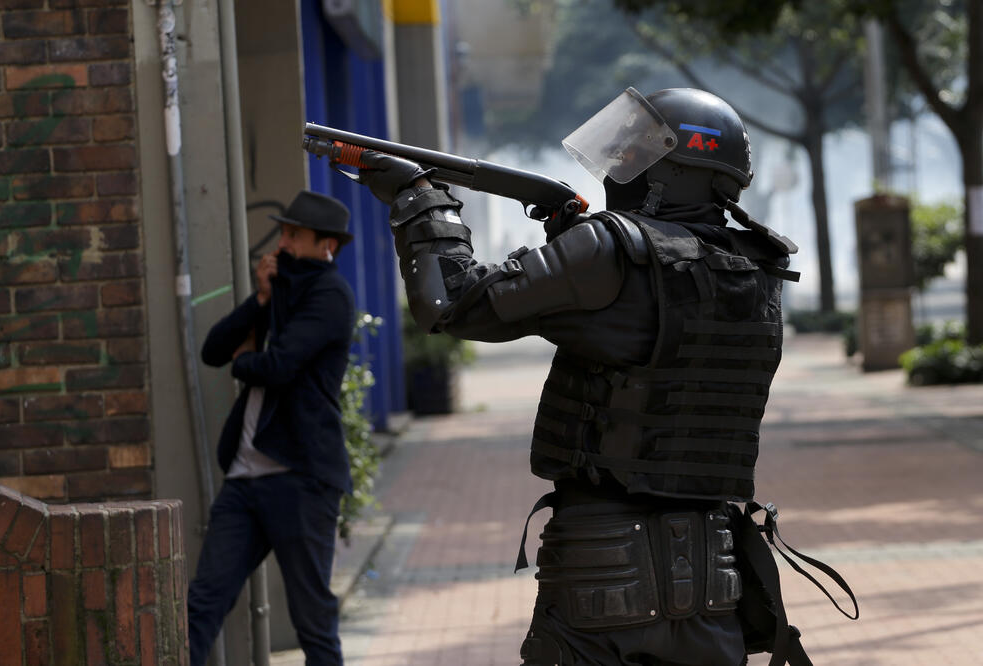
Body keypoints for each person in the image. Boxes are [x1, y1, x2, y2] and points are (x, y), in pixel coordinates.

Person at [352, 88, 854, 665]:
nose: (619, 166)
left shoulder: (610, 250)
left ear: (670, 170)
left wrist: (421, 202)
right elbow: (650, 332)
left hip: (601, 569)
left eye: (634, 154)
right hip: (713, 576)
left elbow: (453, 301)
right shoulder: (755, 268)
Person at [187, 190, 356, 666]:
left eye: (294, 236)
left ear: (328, 246)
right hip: (244, 481)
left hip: (300, 478)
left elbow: (279, 366)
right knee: (203, 603)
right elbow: (213, 351)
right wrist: (259, 300)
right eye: (282, 232)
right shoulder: (277, 290)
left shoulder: (330, 296)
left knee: (311, 619)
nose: (282, 243)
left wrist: (246, 361)